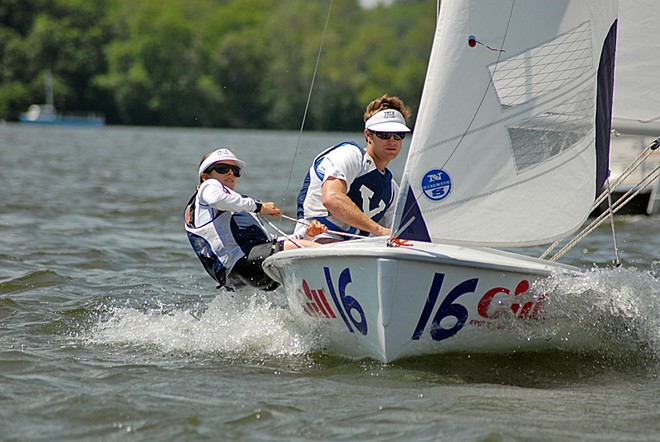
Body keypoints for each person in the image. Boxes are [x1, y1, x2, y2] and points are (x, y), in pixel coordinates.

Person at [184, 148, 325, 290]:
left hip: (238, 273)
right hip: (244, 262)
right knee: (320, 251)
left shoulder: (235, 208)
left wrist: (307, 235)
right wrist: (259, 207)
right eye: (222, 168)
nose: (230, 173)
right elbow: (216, 198)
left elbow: (269, 243)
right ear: (205, 176)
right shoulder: (208, 187)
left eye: (235, 171)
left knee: (299, 247)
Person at [295, 94, 412, 242]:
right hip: (315, 237)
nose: (392, 140)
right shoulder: (350, 155)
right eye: (384, 134)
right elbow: (331, 198)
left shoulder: (391, 191)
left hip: (352, 250)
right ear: (368, 135)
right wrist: (378, 230)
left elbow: (401, 232)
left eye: (398, 135)